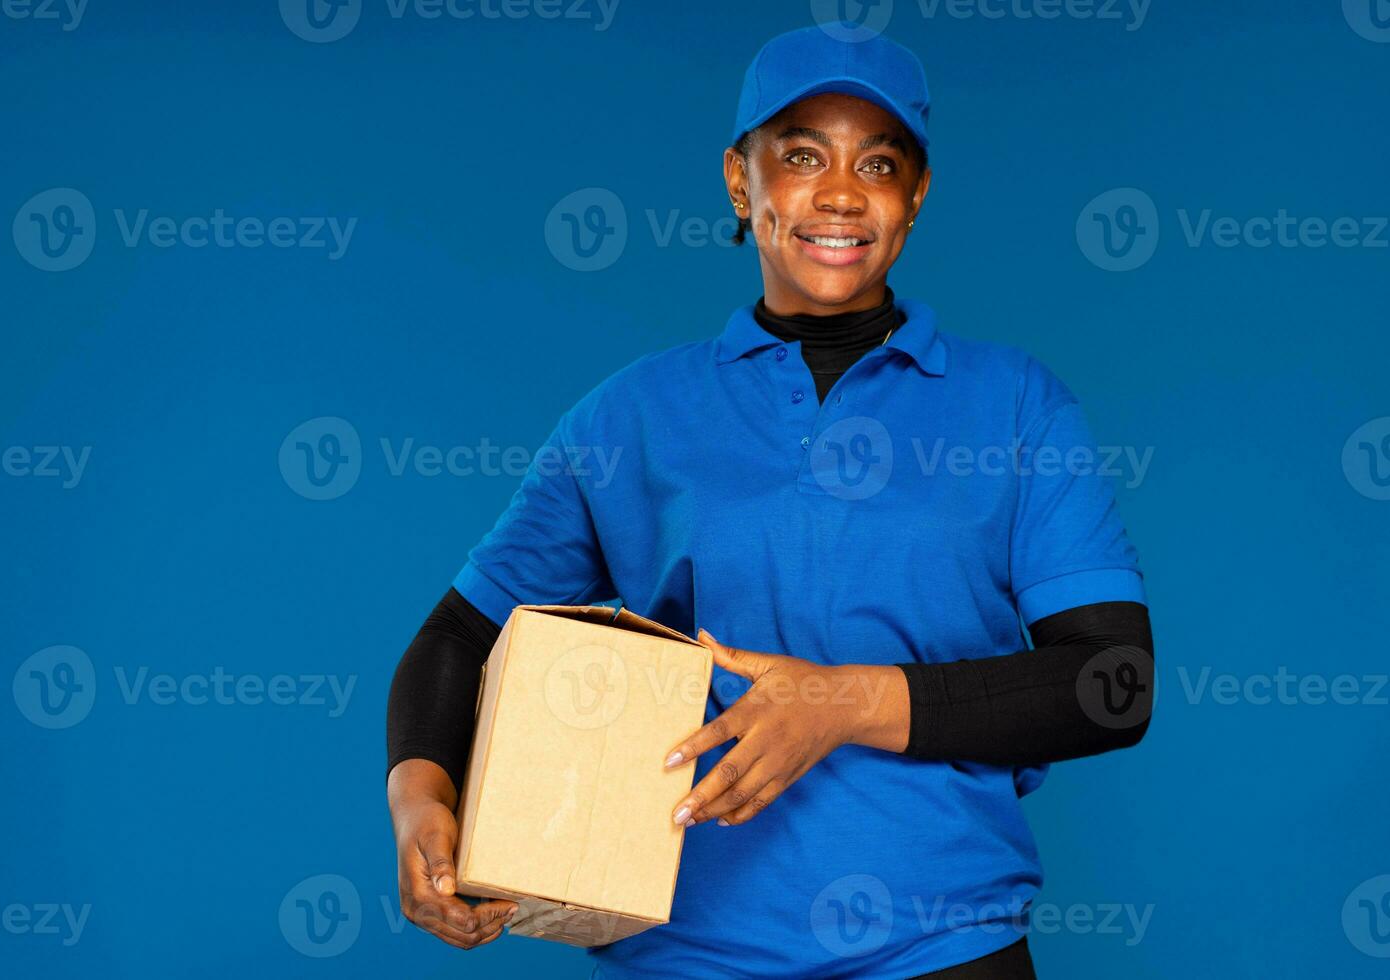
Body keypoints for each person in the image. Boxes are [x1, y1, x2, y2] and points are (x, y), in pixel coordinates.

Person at [386, 23, 1154, 979]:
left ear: (915, 196)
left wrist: (840, 703)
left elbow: (1114, 688)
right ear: (740, 182)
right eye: (800, 155)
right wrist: (424, 803)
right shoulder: (630, 418)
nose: (839, 191)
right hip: (685, 954)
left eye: (878, 162)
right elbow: (459, 639)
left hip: (946, 948)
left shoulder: (1017, 406)